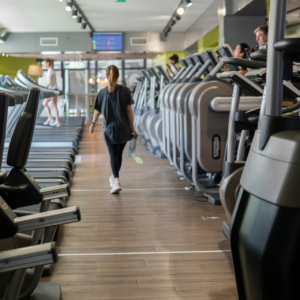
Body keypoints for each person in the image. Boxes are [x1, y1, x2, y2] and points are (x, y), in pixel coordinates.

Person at [90, 65, 138, 194]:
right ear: (118, 76)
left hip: (109, 129)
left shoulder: (102, 92)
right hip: (124, 128)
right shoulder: (125, 91)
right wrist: (133, 128)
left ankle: (116, 180)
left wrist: (92, 124)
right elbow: (129, 111)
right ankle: (114, 178)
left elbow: (96, 112)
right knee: (118, 155)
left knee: (113, 155)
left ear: (107, 76)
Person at [43, 59, 60, 127]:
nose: (43, 64)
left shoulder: (50, 71)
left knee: (54, 105)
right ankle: (50, 118)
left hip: (53, 90)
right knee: (44, 103)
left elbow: (50, 82)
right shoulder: (50, 70)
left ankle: (57, 121)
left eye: (44, 63)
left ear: (47, 63)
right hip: (52, 90)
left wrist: (44, 87)